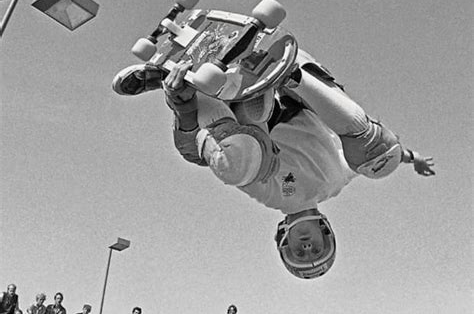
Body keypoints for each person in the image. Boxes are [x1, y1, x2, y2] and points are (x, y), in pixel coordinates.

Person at [112, 42, 435, 280]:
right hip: (292, 88)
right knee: (381, 158)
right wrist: (410, 157)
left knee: (221, 163)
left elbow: (225, 160)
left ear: (283, 240)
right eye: (316, 249)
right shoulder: (337, 180)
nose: (307, 247)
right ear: (326, 233)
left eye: (299, 251)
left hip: (245, 118)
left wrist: (189, 113)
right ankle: (286, 74)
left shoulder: (270, 196)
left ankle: (179, 87)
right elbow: (375, 158)